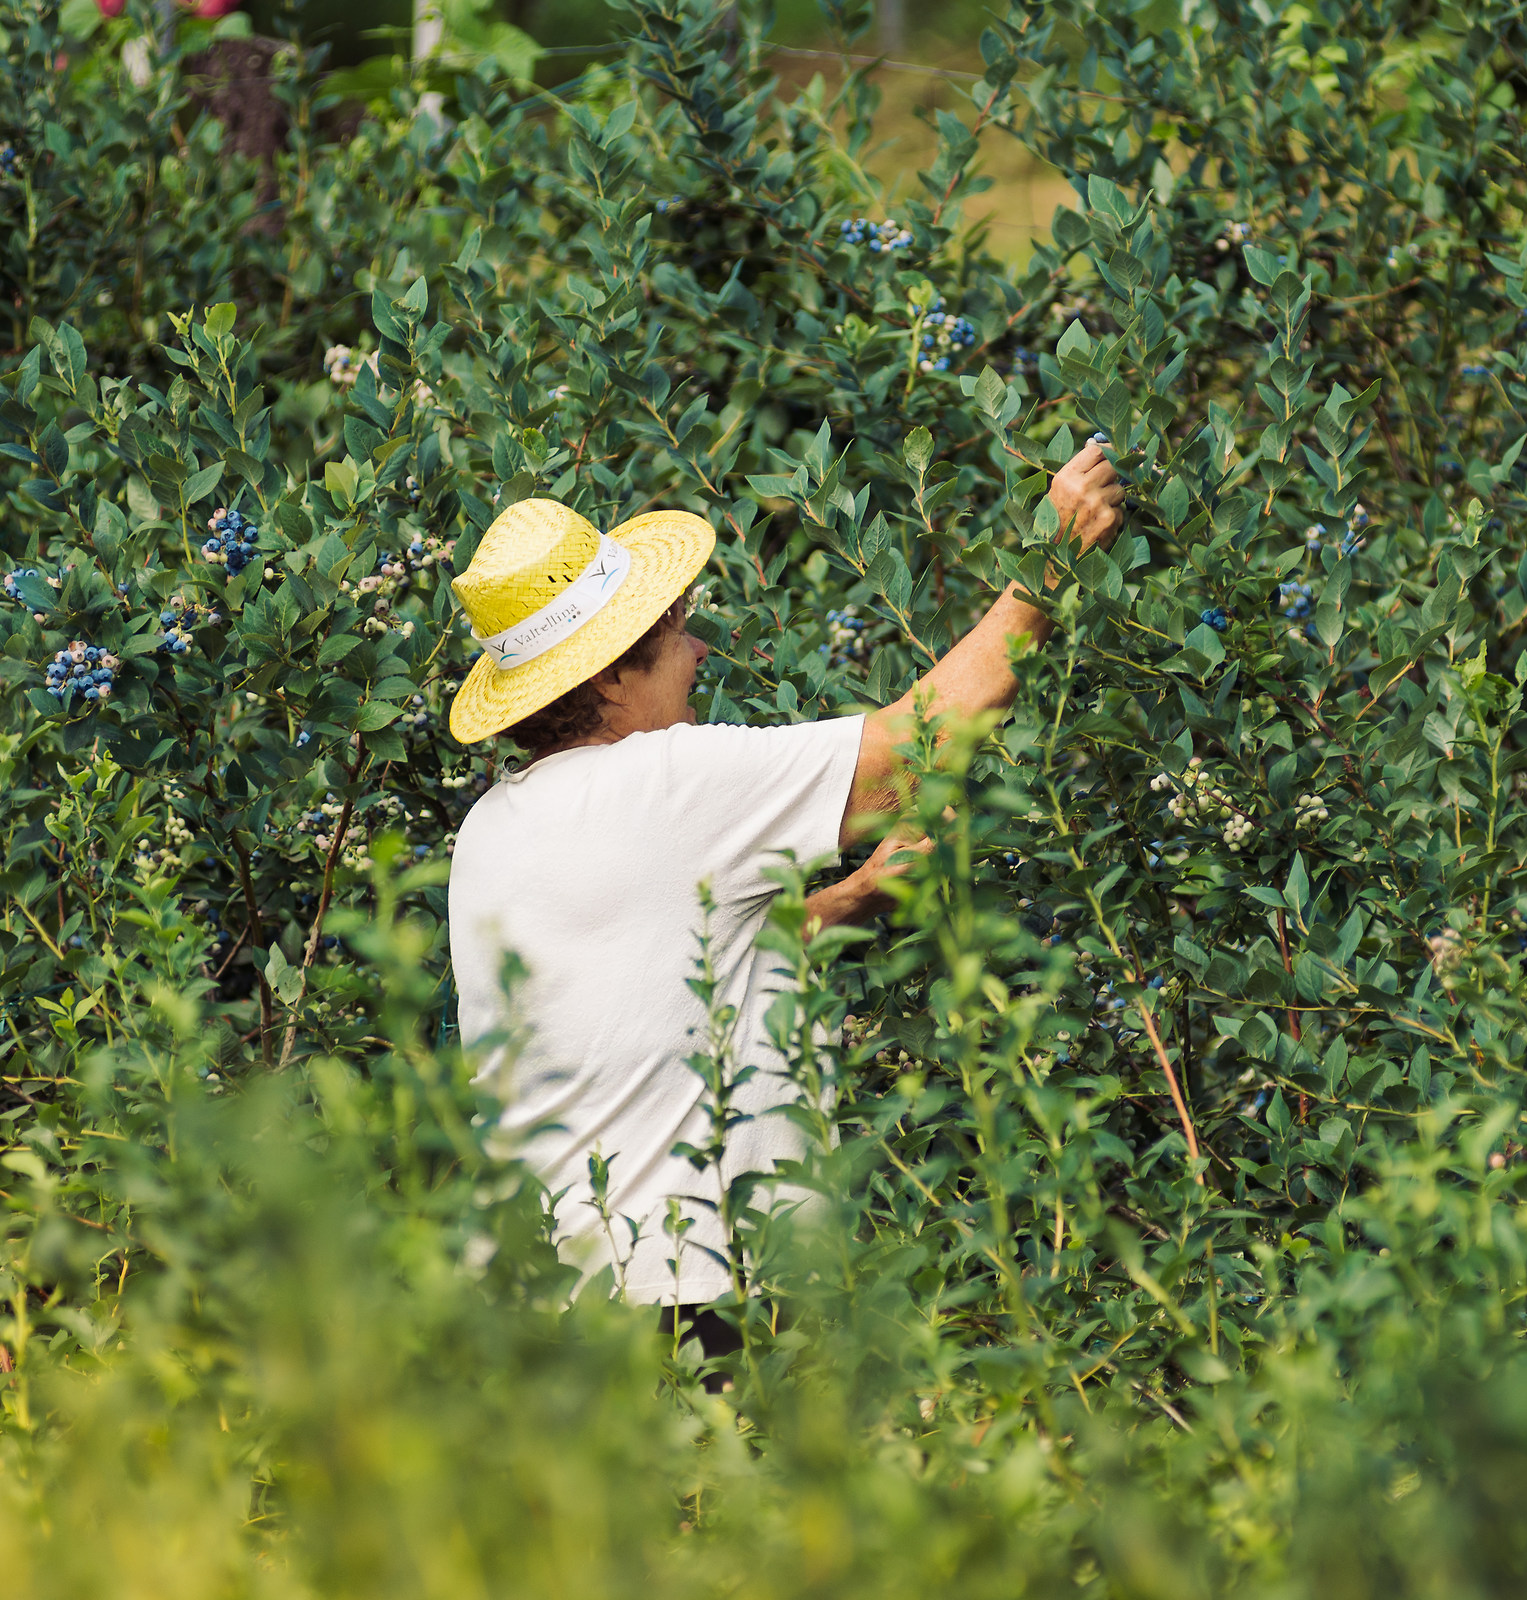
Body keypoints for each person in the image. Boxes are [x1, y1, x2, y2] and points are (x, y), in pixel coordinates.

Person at [444, 441, 1126, 1331]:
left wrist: (845, 904)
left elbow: (646, 988)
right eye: (672, 636)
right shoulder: (668, 781)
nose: (698, 651)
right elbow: (909, 756)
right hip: (689, 1306)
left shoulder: (491, 830)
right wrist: (1052, 559)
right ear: (611, 675)